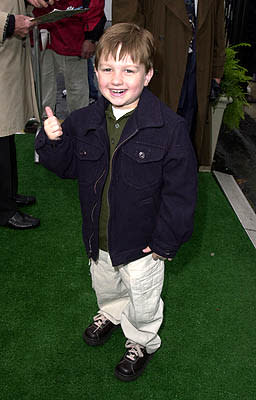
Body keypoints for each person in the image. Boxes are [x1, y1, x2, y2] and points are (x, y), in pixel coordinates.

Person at [35, 23, 197, 381]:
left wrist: (166, 241)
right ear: (95, 72)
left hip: (144, 244)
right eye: (107, 68)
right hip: (99, 237)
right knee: (105, 284)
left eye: (129, 69)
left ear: (149, 74)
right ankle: (110, 312)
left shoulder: (169, 129)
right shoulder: (83, 121)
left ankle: (140, 339)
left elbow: (181, 193)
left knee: (143, 297)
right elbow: (65, 167)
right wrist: (53, 141)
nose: (117, 79)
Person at [112, 0, 226, 166]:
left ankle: (179, 182)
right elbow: (126, 22)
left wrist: (216, 71)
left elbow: (217, 26)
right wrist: (129, 69)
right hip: (157, 69)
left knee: (186, 135)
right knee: (150, 137)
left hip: (196, 72)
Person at [0, 0, 57, 230]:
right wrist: (9, 22)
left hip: (9, 51)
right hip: (6, 42)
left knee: (6, 132)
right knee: (2, 130)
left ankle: (7, 196)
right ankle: (4, 211)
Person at [32, 0, 105, 117]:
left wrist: (91, 37)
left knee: (78, 91)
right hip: (42, 34)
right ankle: (44, 124)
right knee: (43, 88)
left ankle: (80, 126)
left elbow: (95, 7)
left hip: (73, 37)